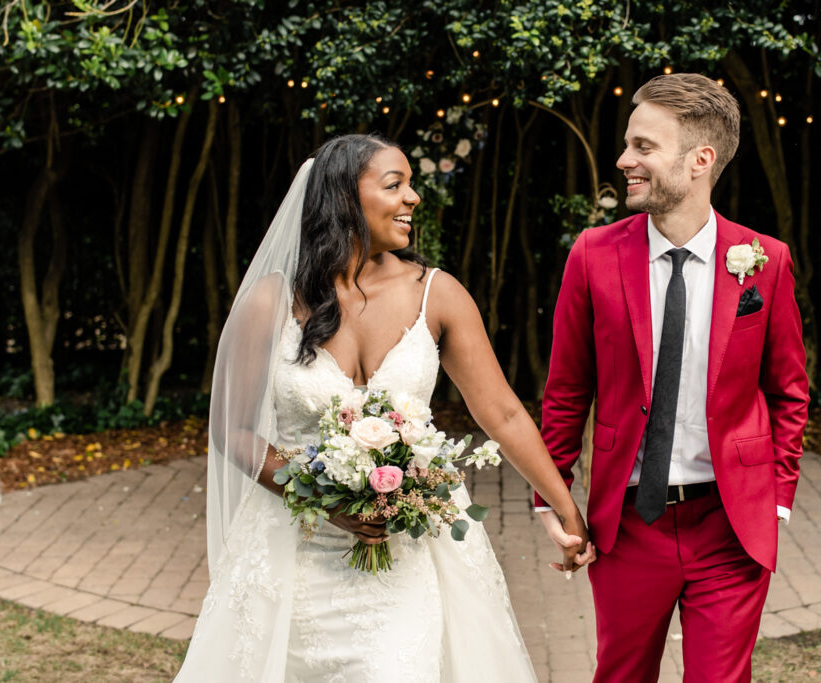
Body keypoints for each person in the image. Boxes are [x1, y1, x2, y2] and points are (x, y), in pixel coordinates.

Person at [175, 134, 591, 682]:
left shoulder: (436, 294)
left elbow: (504, 414)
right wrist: (322, 499)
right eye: (395, 185)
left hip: (410, 555)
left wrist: (563, 505)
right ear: (344, 197)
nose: (413, 198)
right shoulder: (271, 300)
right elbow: (233, 429)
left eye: (411, 185)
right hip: (291, 554)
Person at [535, 73, 809, 682]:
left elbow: (788, 391)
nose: (623, 160)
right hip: (630, 523)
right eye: (627, 144)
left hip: (731, 526)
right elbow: (567, 391)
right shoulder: (592, 255)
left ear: (699, 160)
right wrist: (552, 497)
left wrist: (777, 501)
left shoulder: (765, 260)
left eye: (643, 146)